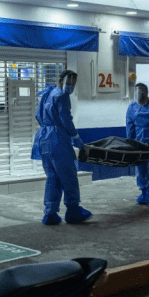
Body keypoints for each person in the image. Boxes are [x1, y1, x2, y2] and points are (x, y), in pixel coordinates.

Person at [31, 70, 93, 225]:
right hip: (58, 140)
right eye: (70, 83)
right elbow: (66, 119)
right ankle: (73, 210)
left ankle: (50, 213)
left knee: (53, 177)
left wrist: (49, 128)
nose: (71, 86)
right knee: (69, 175)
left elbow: (38, 115)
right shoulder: (62, 96)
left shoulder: (47, 94)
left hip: (43, 139)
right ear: (61, 80)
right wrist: (77, 140)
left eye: (74, 84)